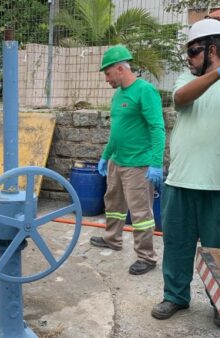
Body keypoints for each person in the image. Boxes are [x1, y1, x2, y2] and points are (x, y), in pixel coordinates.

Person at [150, 19, 220, 325]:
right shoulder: (185, 80)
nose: (189, 59)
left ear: (212, 48)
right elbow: (181, 98)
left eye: (193, 52)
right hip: (181, 180)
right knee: (177, 244)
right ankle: (175, 296)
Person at [89, 44, 165, 276]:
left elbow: (157, 127)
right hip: (117, 161)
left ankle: (147, 257)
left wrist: (155, 162)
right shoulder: (118, 96)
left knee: (140, 213)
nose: (106, 79)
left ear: (121, 68)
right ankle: (113, 238)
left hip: (138, 165)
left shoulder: (145, 91)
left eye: (108, 74)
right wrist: (105, 157)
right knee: (113, 204)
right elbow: (116, 132)